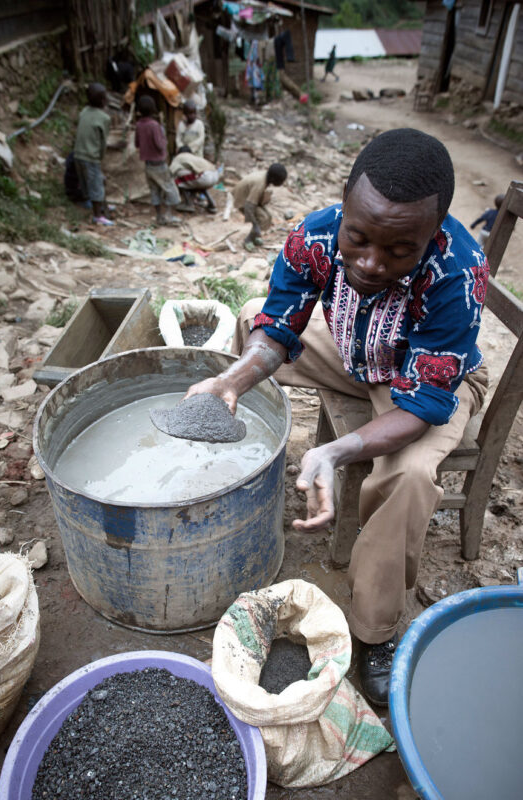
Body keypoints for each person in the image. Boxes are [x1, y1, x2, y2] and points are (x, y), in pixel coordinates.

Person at [186, 129, 489, 707]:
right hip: (354, 352)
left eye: (400, 250)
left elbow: (424, 404)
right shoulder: (315, 235)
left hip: (422, 384)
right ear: (346, 202)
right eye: (359, 237)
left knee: (407, 478)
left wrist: (333, 450)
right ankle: (226, 452)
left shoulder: (458, 270)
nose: (371, 262)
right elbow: (277, 330)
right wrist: (235, 379)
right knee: (250, 317)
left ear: (436, 228)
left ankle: (376, 633)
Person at [134, 95, 181, 227]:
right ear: (153, 109)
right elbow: (160, 145)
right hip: (159, 164)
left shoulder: (139, 125)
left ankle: (159, 216)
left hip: (148, 165)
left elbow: (137, 144)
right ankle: (169, 215)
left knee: (154, 190)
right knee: (169, 188)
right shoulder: (155, 126)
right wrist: (164, 139)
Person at [74, 82, 113, 225]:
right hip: (91, 156)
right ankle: (97, 215)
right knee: (96, 184)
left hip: (78, 153)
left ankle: (94, 204)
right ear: (103, 101)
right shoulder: (104, 118)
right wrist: (100, 157)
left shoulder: (83, 111)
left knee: (86, 182)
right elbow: (102, 141)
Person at [233, 163, 287, 249]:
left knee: (268, 217)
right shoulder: (260, 184)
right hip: (242, 200)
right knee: (263, 218)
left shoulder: (266, 177)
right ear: (273, 179)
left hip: (248, 197)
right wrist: (255, 224)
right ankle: (248, 239)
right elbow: (249, 206)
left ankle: (255, 236)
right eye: (280, 181)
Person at [170, 146, 220, 213]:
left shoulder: (179, 157)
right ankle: (212, 204)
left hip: (204, 177)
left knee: (176, 178)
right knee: (197, 182)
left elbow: (170, 171)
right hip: (215, 175)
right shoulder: (194, 157)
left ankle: (188, 204)